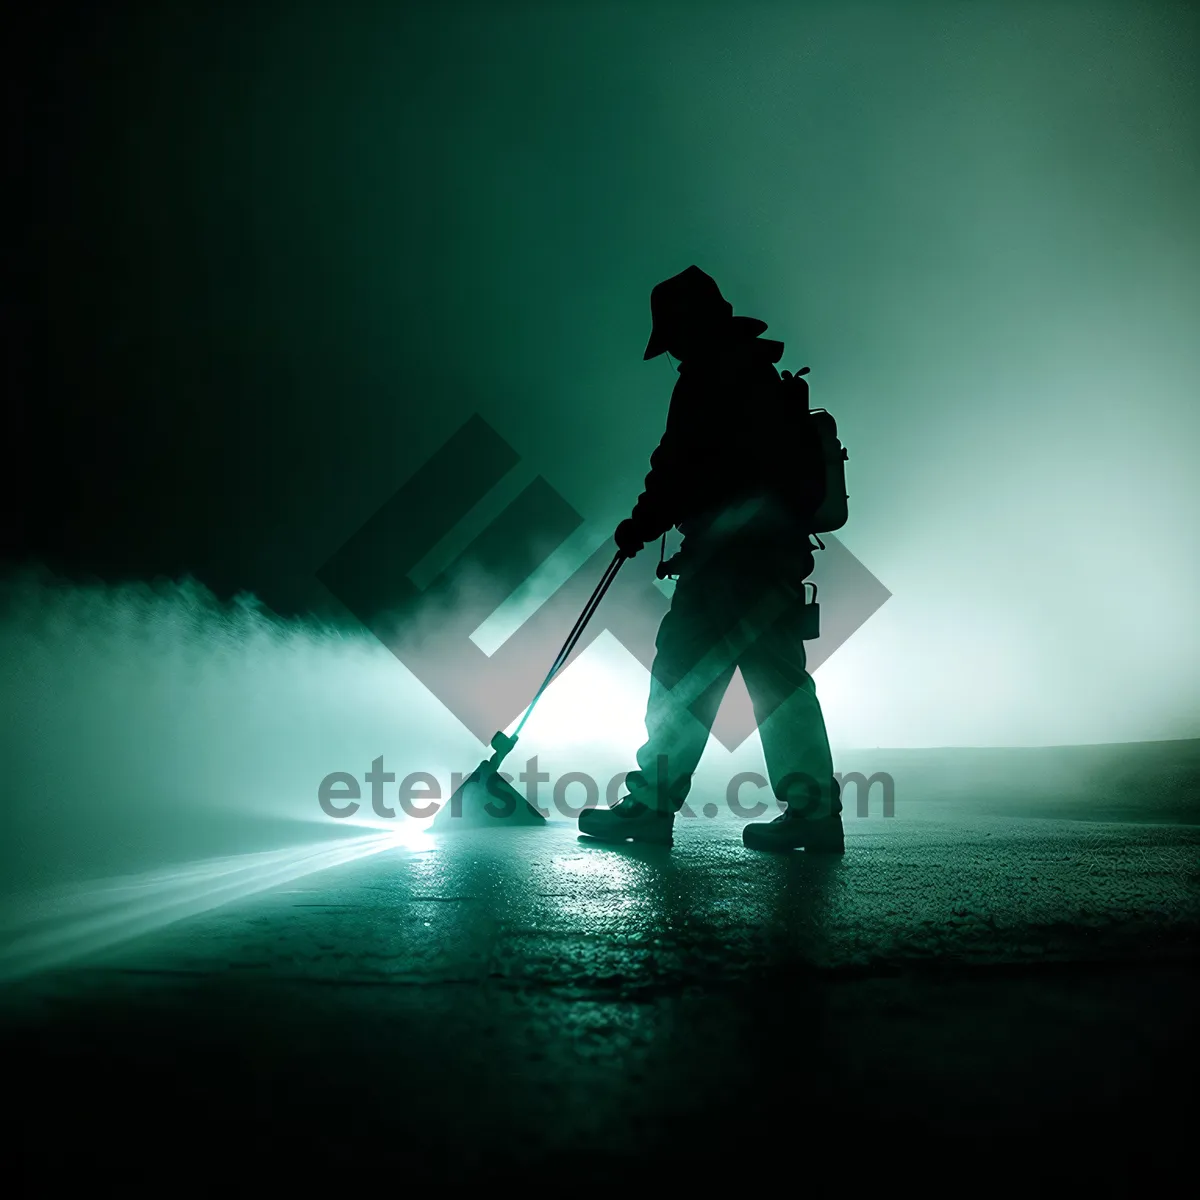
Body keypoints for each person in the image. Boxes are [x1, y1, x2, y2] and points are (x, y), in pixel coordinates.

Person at [578, 265, 843, 852]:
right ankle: (815, 813)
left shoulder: (710, 379)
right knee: (778, 683)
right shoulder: (755, 372)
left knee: (682, 677)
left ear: (687, 327)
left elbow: (678, 467)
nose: (671, 352)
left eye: (672, 337)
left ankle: (650, 806)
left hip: (727, 564)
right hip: (772, 560)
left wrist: (640, 526)